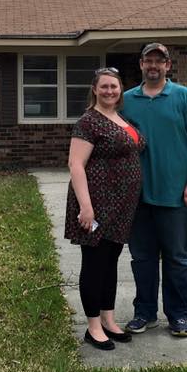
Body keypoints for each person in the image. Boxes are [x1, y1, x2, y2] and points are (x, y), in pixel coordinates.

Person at [122, 43, 187, 338]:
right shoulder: (127, 101)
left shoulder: (183, 97)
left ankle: (178, 316)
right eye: (148, 60)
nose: (153, 65)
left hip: (177, 196)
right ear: (141, 64)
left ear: (168, 66)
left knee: (176, 259)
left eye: (159, 61)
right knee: (142, 259)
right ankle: (144, 313)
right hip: (138, 197)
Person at [65, 67, 146, 351]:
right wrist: (86, 207)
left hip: (121, 205)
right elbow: (75, 164)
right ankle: (93, 327)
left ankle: (108, 319)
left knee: (111, 262)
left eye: (114, 86)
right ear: (95, 90)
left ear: (120, 89)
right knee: (94, 263)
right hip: (97, 203)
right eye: (104, 86)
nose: (110, 91)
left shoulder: (121, 119)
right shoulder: (89, 122)